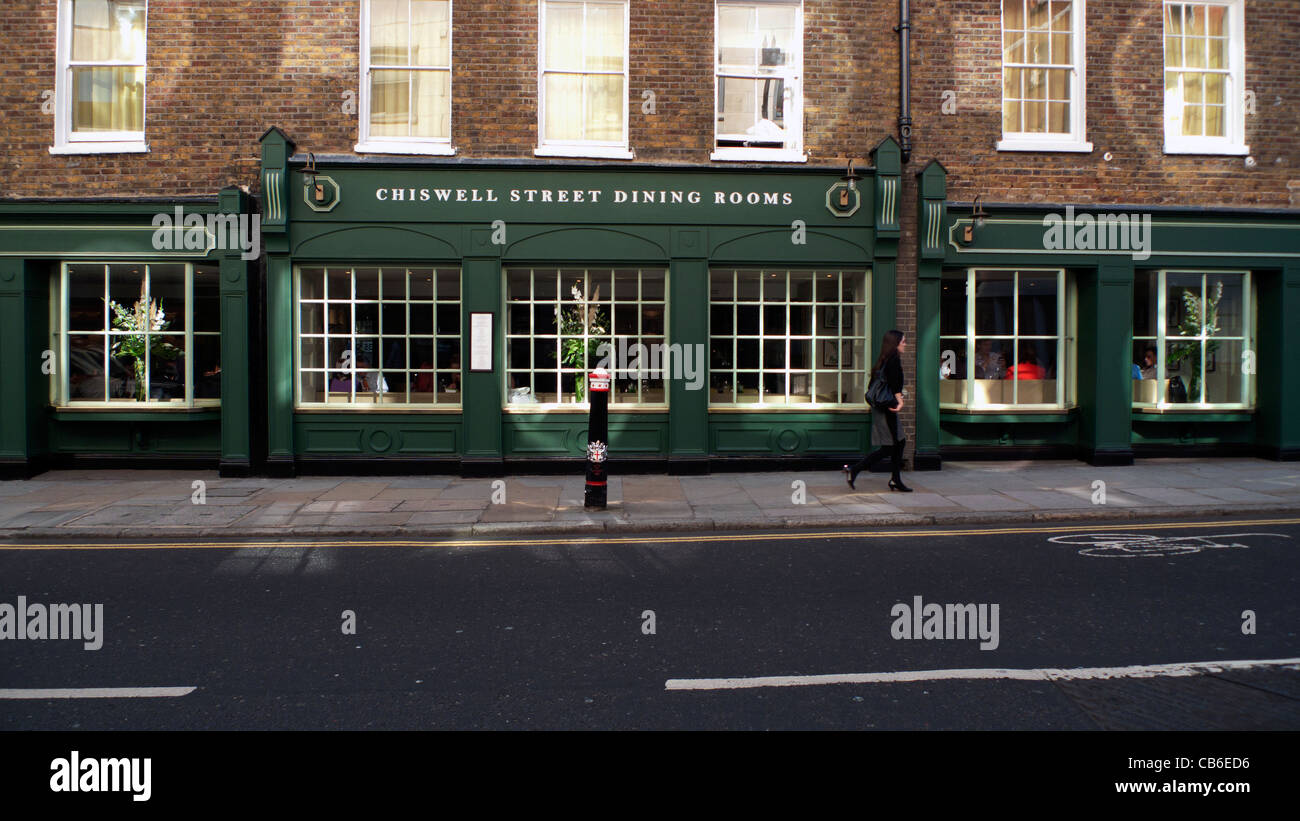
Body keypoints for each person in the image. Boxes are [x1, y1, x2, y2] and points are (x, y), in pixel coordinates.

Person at [843, 329, 911, 492]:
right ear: (895, 344)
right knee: (890, 446)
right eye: (903, 341)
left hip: (883, 407)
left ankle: (895, 479)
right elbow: (895, 383)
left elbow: (873, 385)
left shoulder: (883, 360)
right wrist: (900, 400)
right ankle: (854, 469)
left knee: (899, 442)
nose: (905, 344)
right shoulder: (893, 360)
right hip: (888, 407)